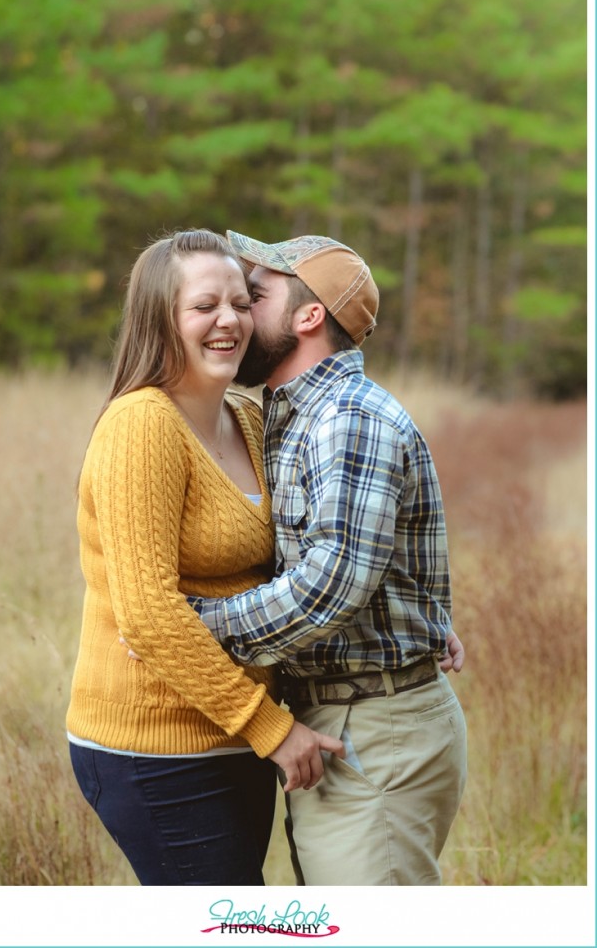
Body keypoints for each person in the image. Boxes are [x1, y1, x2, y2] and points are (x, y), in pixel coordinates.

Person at [187, 230, 468, 886]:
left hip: (374, 730)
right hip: (349, 718)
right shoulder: (290, 416)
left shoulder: (346, 417)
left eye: (254, 297)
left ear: (307, 317)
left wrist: (193, 625)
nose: (234, 312)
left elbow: (328, 586)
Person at [65, 228, 344, 887]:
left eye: (242, 302)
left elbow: (308, 561)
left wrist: (416, 618)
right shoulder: (142, 425)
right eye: (204, 306)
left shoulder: (247, 418)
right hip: (155, 747)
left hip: (233, 738)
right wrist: (270, 727)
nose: (230, 321)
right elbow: (149, 613)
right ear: (160, 320)